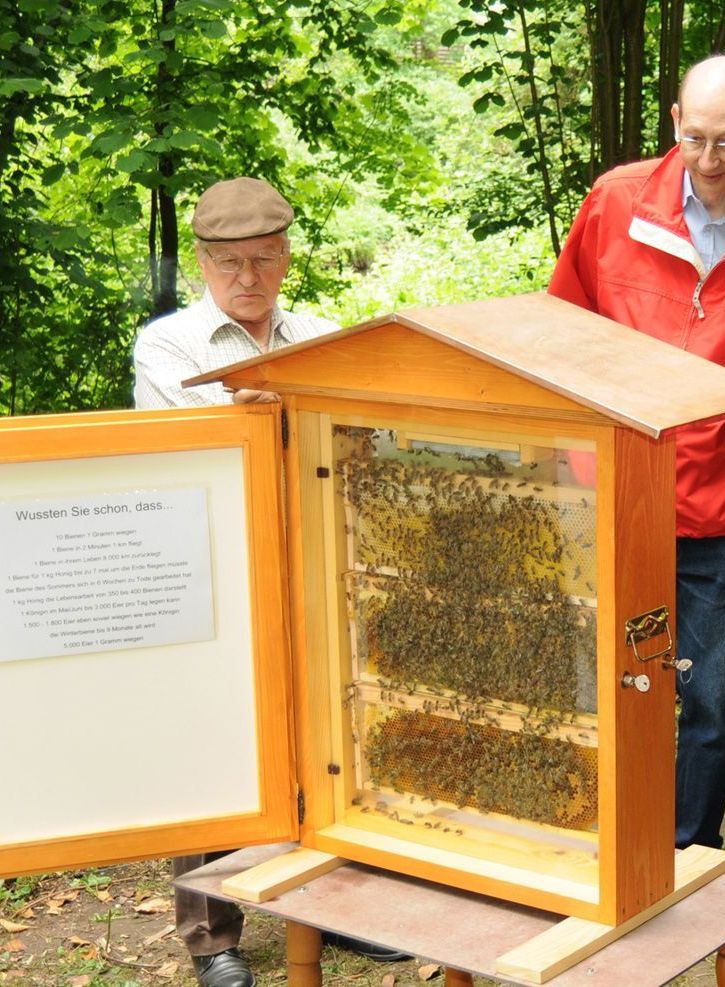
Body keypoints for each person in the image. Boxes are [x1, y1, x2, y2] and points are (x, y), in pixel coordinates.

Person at [549, 54, 725, 850]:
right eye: (695, 137)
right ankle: (595, 843)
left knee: (710, 701)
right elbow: (556, 337)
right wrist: (562, 468)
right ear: (674, 120)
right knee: (604, 682)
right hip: (614, 496)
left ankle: (685, 855)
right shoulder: (614, 202)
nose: (707, 161)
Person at [132, 178, 402, 986]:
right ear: (202, 263)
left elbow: (365, 433)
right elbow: (192, 448)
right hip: (210, 563)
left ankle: (330, 908)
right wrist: (282, 409)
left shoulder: (320, 334)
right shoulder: (168, 345)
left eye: (262, 258)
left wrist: (271, 406)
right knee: (210, 739)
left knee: (325, 733)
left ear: (285, 256)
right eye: (227, 262)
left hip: (317, 555)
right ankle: (212, 936)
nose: (246, 276)